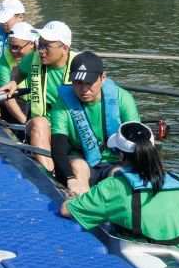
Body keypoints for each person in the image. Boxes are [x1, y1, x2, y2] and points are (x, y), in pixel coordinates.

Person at [60, 120, 179, 252]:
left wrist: (73, 197)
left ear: (121, 155)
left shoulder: (114, 186)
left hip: (142, 262)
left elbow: (66, 210)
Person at [51, 51, 141, 195]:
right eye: (78, 83)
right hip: (81, 161)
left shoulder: (123, 99)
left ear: (103, 78)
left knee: (119, 175)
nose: (84, 90)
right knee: (78, 167)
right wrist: (70, 178)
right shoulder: (62, 103)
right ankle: (84, 204)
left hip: (115, 162)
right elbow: (58, 147)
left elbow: (137, 144)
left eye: (89, 83)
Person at [0, 20, 74, 173]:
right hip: (42, 123)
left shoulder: (79, 66)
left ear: (65, 48)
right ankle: (50, 177)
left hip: (69, 126)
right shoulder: (32, 59)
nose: (41, 50)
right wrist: (14, 82)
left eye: (47, 46)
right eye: (40, 44)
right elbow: (19, 71)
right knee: (39, 123)